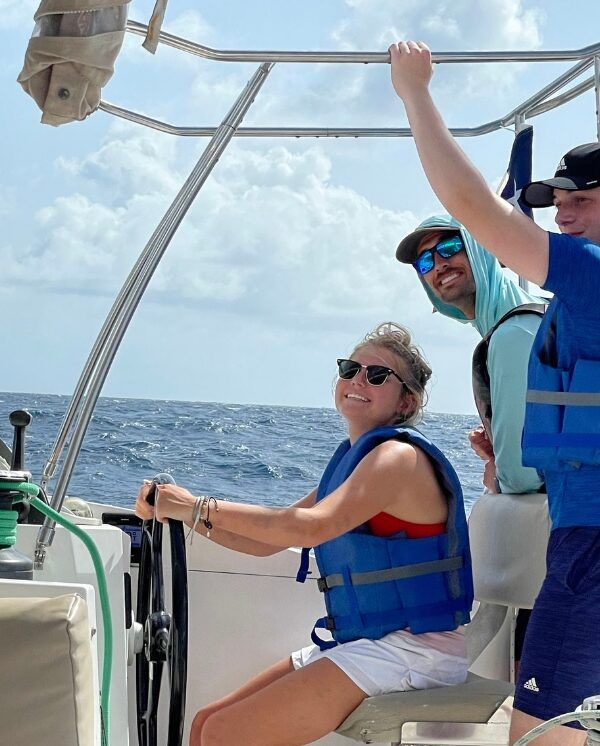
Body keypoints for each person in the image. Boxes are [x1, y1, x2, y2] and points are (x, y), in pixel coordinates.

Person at [389, 41, 600, 746]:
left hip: (591, 545)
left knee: (540, 733)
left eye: (584, 201)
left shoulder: (592, 276)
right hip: (576, 534)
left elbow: (472, 206)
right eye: (558, 202)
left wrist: (415, 93)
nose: (565, 215)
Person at [135, 322, 474, 746]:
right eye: (350, 368)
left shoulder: (397, 458)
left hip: (415, 650)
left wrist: (194, 504)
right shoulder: (353, 462)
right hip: (368, 641)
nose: (357, 380)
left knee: (225, 733)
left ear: (406, 401)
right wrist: (183, 516)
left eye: (377, 375)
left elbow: (310, 528)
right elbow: (265, 542)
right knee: (207, 722)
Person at [396, 214, 545, 495]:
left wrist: (497, 474)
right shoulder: (537, 312)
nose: (439, 264)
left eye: (450, 247)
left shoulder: (512, 333)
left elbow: (522, 477)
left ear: (478, 247)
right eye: (425, 261)